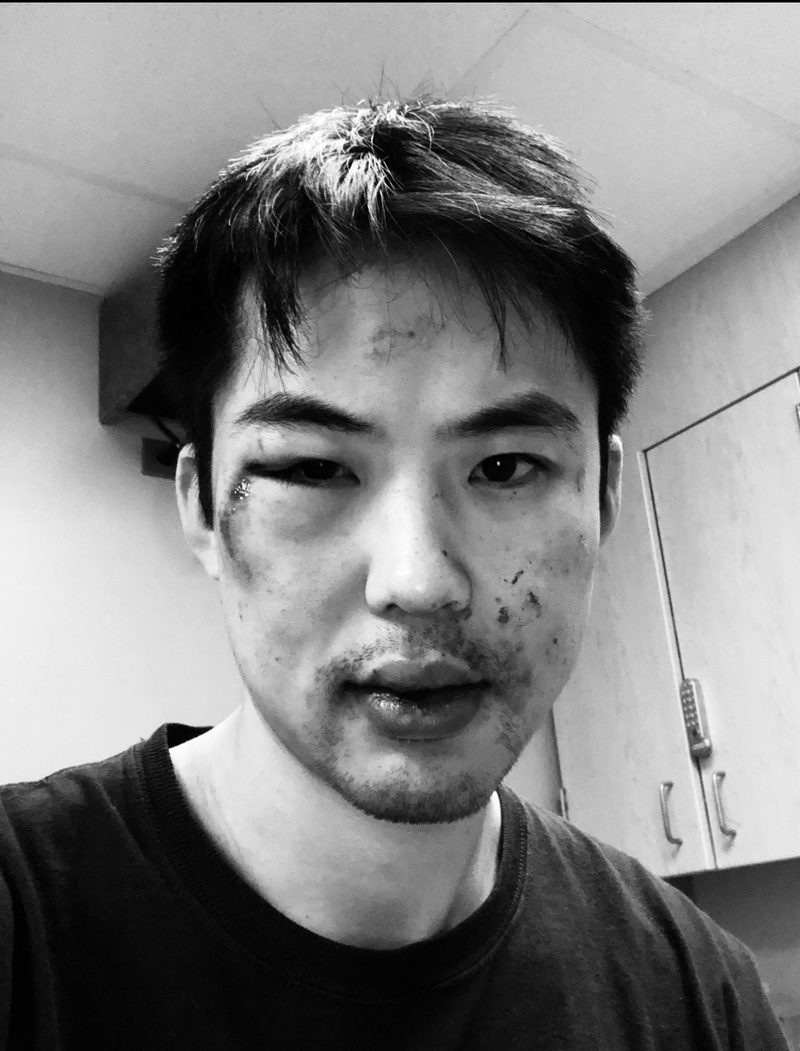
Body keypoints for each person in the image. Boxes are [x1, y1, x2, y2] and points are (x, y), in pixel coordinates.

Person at [0, 98, 789, 1050]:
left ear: (603, 495)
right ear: (202, 506)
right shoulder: (26, 925)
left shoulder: (701, 995)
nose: (417, 583)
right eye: (312, 468)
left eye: (505, 467)